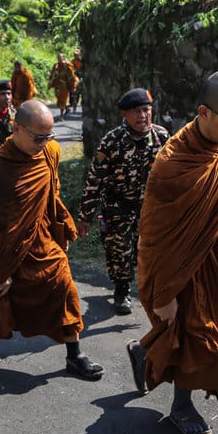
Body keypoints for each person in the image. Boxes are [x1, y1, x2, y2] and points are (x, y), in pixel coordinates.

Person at [127, 70, 218, 434]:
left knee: (196, 331)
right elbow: (154, 237)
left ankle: (144, 354)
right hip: (177, 267)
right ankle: (182, 406)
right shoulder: (173, 165)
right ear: (204, 112)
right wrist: (163, 293)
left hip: (211, 256)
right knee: (195, 334)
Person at [0, 99, 104, 381]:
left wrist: (62, 227)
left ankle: (74, 354)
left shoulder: (48, 152)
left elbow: (50, 195)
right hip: (4, 247)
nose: (44, 143)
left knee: (65, 288)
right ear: (16, 128)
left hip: (41, 240)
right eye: (37, 137)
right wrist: (1, 269)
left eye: (49, 136)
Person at [77, 88, 169, 315]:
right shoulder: (111, 141)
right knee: (120, 249)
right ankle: (122, 290)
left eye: (146, 110)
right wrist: (85, 216)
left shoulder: (162, 137)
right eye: (136, 112)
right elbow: (94, 180)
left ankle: (155, 289)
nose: (143, 116)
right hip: (118, 205)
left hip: (150, 206)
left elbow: (172, 173)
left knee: (153, 249)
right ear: (124, 115)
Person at [46, 53, 78, 120]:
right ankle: (67, 108)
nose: (59, 59)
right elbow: (52, 74)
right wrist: (50, 82)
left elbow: (72, 76)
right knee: (59, 100)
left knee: (63, 100)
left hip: (64, 86)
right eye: (58, 57)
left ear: (63, 58)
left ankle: (61, 116)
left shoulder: (67, 65)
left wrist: (73, 86)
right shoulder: (56, 65)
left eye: (60, 57)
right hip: (57, 86)